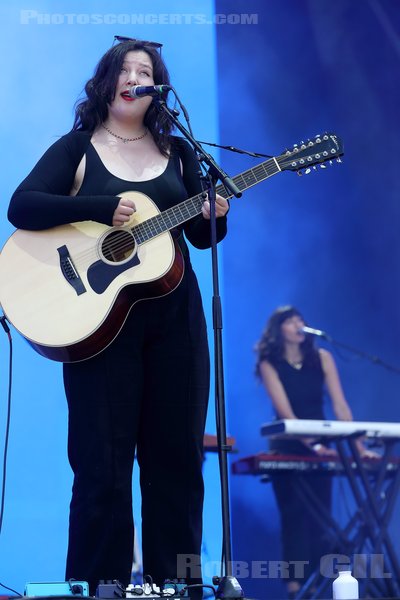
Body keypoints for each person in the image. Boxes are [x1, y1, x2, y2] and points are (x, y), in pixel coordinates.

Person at [7, 38, 229, 598]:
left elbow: (200, 239)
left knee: (177, 460)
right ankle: (96, 587)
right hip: (98, 326)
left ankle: (179, 586)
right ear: (107, 82)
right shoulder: (78, 147)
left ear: (158, 87)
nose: (136, 76)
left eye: (147, 71)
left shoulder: (181, 153)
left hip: (175, 319)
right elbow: (23, 206)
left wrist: (215, 216)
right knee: (102, 467)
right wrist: (98, 209)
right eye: (127, 69)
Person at [254, 305, 376, 599]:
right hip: (289, 444)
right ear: (278, 329)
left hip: (322, 443)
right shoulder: (269, 362)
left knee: (323, 517)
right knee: (293, 516)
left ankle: (324, 584)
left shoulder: (322, 357)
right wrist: (313, 445)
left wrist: (357, 446)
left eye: (300, 319)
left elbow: (340, 405)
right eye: (290, 320)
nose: (298, 324)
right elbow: (285, 412)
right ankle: (296, 588)